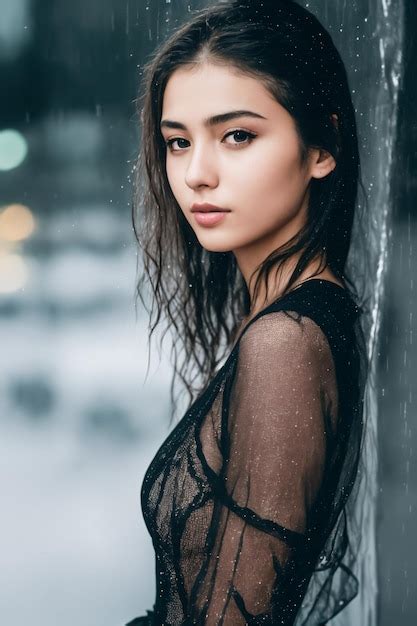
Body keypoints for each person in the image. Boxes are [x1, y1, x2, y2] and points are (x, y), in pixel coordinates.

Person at [127, 0, 370, 624]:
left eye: (237, 135)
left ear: (323, 147)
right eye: (178, 142)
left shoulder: (286, 342)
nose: (196, 175)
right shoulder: (293, 317)